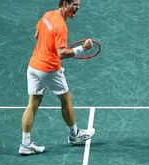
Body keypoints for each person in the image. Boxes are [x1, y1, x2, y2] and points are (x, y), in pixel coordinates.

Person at [19, 0, 95, 155]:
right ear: (65, 3)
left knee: (32, 103)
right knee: (66, 100)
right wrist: (83, 48)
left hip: (33, 66)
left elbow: (37, 35)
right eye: (74, 4)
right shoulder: (61, 26)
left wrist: (46, 52)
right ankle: (74, 135)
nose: (77, 7)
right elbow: (61, 53)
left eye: (78, 4)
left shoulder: (47, 15)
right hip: (49, 69)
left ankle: (25, 144)